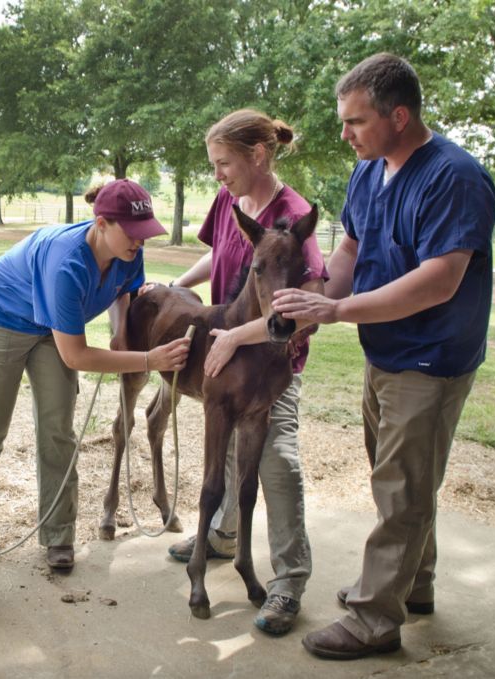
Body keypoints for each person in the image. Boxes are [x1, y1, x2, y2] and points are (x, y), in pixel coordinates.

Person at [271, 53, 495, 659]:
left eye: (355, 122)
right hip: (386, 348)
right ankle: (412, 586)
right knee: (397, 476)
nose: (344, 134)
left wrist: (339, 312)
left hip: (432, 356)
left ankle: (375, 618)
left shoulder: (454, 176)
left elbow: (440, 280)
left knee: (401, 485)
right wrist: (316, 299)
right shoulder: (369, 172)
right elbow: (348, 251)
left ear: (399, 116)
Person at [149, 110, 328, 635]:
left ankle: (289, 581)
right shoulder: (231, 201)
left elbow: (308, 300)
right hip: (226, 352)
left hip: (270, 361)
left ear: (258, 155)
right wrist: (169, 286)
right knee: (226, 453)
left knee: (274, 462)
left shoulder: (293, 216)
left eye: (224, 163)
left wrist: (235, 337)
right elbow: (218, 256)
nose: (217, 174)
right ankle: (223, 539)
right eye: (213, 164)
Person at [0, 179, 192, 571]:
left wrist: (120, 333)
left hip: (51, 328)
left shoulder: (130, 251)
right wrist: (148, 359)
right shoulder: (66, 263)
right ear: (101, 223)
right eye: (132, 233)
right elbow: (77, 354)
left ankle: (58, 534)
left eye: (145, 232)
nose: (140, 242)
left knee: (58, 430)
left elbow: (123, 290)